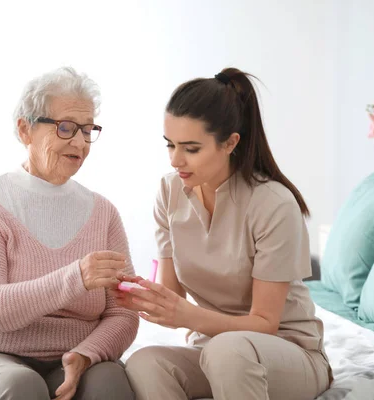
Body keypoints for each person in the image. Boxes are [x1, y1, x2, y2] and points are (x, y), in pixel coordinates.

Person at [115, 68, 333, 400]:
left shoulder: (273, 204)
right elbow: (171, 294)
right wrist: (141, 295)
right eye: (170, 145)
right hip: (214, 349)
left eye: (191, 148)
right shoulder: (169, 191)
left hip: (287, 353)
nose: (175, 160)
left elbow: (265, 323)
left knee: (227, 352)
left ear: (230, 143)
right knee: (146, 363)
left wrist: (188, 316)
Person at [0, 67, 139, 400]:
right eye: (66, 127)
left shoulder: (103, 213)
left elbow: (122, 312)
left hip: (69, 355)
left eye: (88, 130)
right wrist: (77, 276)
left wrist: (85, 354)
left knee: (110, 381)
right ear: (25, 129)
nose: (81, 142)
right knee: (23, 386)